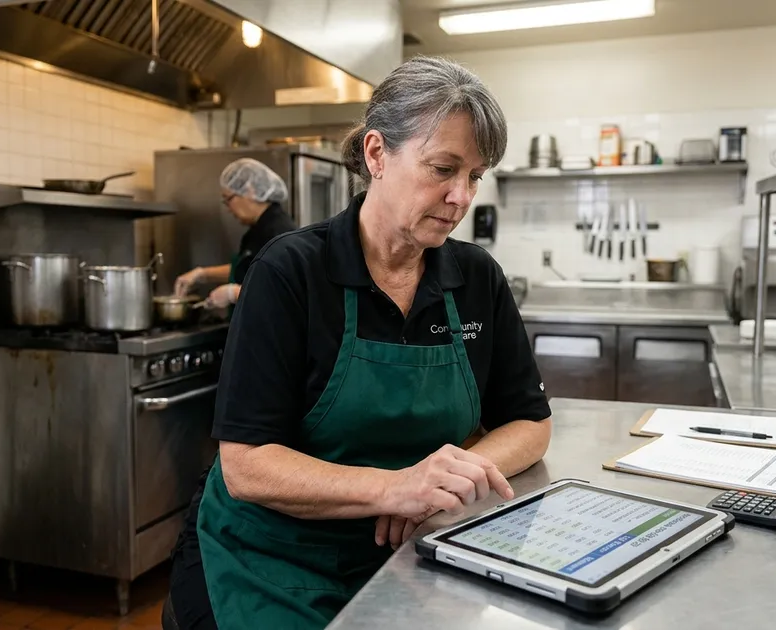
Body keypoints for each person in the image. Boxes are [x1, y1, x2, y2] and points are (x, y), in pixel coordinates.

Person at [163, 55, 553, 630]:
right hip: (269, 558)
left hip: (407, 550)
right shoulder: (289, 272)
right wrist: (394, 488)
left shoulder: (476, 279)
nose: (461, 197)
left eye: (474, 176)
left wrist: (442, 483)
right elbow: (247, 465)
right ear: (376, 154)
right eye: (443, 168)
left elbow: (530, 423)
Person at [172, 158, 297, 308]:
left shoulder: (278, 232)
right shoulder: (260, 228)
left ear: (250, 191)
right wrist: (202, 274)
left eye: (228, 199)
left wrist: (234, 293)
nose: (228, 208)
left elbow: (282, 291)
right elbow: (248, 269)